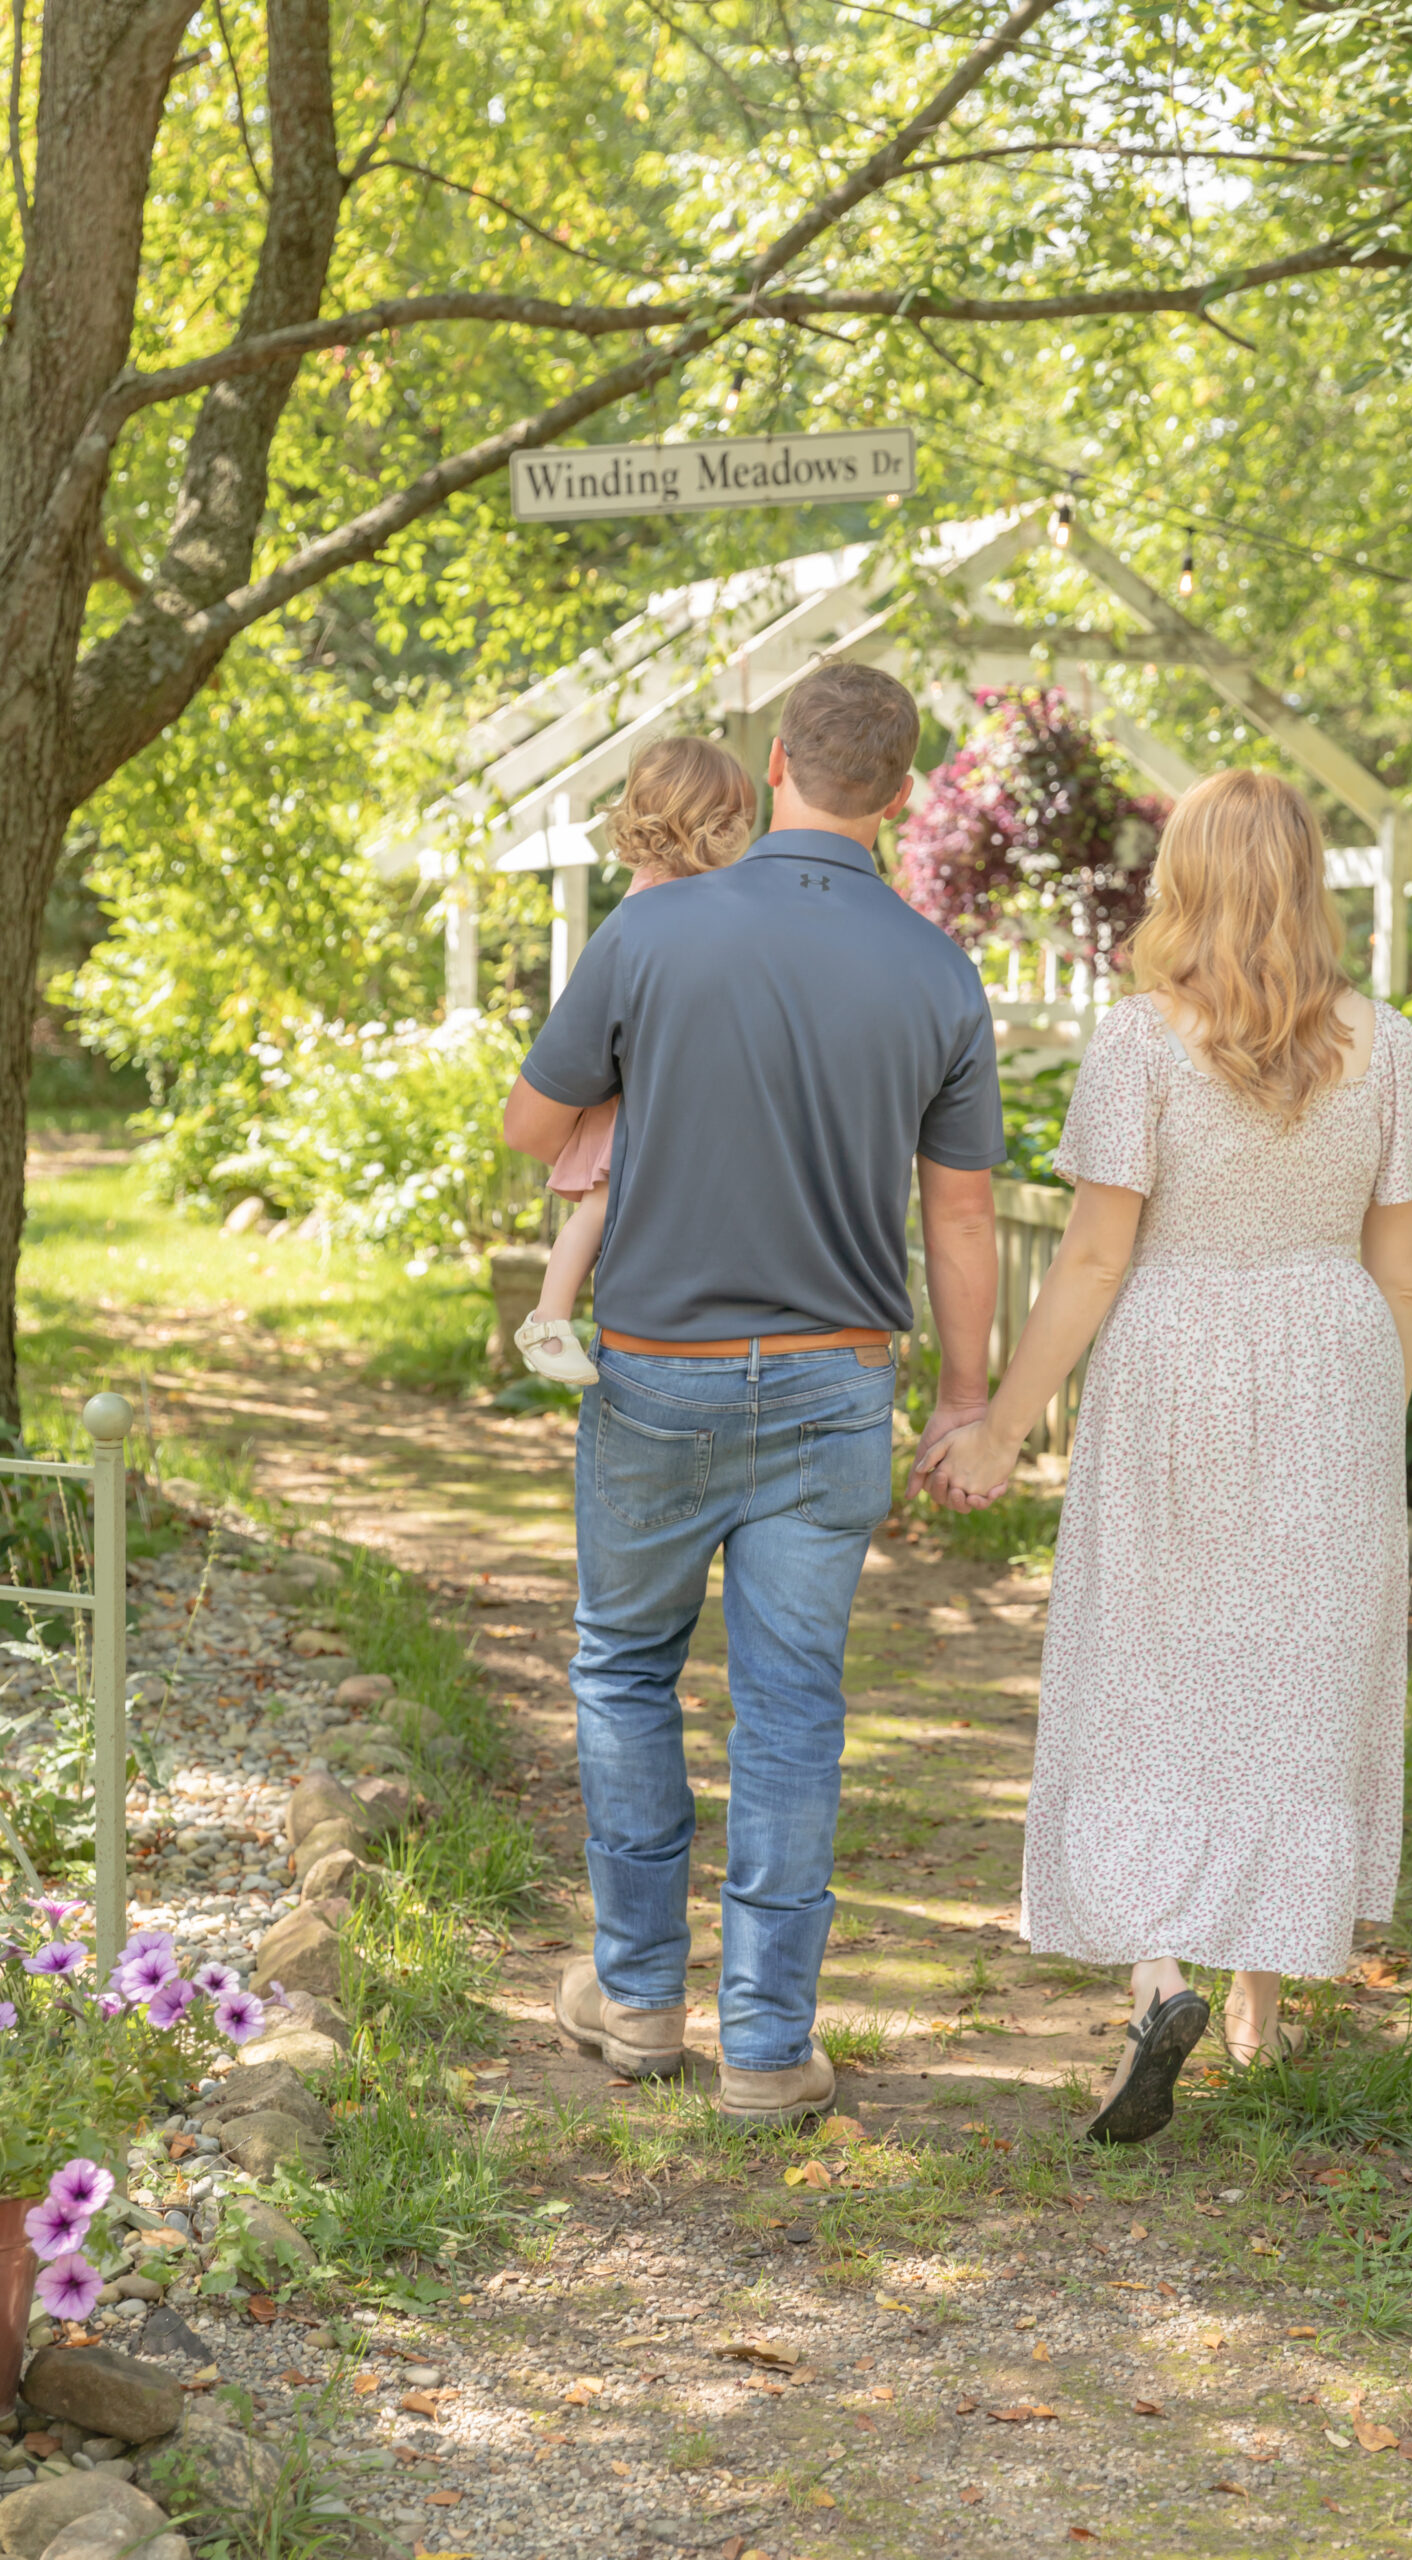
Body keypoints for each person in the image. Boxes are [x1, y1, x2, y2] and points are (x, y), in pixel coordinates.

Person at [917, 769, 1412, 2145]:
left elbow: (1095, 1258)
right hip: (1327, 1357)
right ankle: (1256, 1998)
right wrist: (1364, 1421)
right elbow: (1397, 1278)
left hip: (1173, 1360)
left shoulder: (1138, 1044)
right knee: (1290, 1666)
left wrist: (998, 1423)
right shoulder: (1380, 1046)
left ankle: (1156, 1968)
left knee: (1152, 1659)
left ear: (1186, 882)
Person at [503, 661, 1004, 2126]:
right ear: (901, 796)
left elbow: (533, 1126)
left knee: (622, 1671)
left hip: (655, 1373)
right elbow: (961, 1221)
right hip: (838, 1386)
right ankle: (770, 2048)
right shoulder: (934, 971)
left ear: (773, 762)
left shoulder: (650, 929)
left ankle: (641, 1997)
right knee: (791, 1708)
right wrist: (964, 1396)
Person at [515, 738, 757, 1390]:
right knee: (597, 1204)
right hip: (633, 1094)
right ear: (699, 822)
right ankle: (547, 1318)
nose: (742, 837)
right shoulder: (661, 904)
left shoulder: (674, 894)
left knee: (607, 1207)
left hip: (648, 1084)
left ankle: (557, 1315)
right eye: (732, 820)